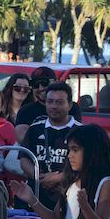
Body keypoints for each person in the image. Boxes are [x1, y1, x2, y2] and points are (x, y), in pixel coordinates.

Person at [20, 81, 82, 209]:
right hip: (36, 196)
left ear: (70, 105)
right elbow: (24, 159)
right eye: (50, 101)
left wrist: (60, 177)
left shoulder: (81, 132)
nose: (54, 106)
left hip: (69, 199)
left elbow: (88, 165)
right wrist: (40, 178)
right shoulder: (34, 129)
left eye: (59, 102)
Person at [14, 67, 82, 141]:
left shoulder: (72, 107)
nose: (40, 88)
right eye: (35, 84)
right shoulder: (26, 110)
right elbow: (21, 138)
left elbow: (75, 135)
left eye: (44, 83)